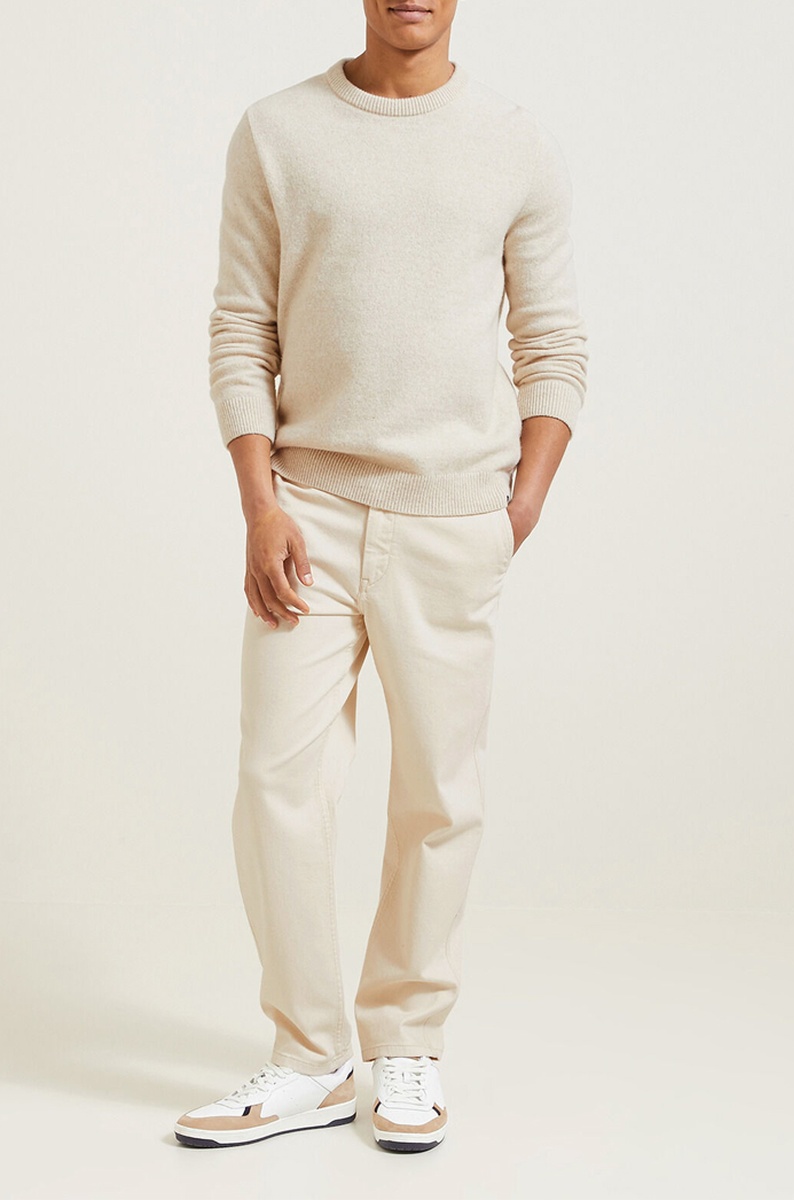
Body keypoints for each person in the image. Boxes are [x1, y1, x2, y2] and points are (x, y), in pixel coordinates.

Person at [174, 0, 588, 1156]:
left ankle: (405, 1040)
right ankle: (310, 1055)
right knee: (276, 780)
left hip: (453, 519)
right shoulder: (277, 132)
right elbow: (239, 328)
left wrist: (517, 508)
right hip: (304, 512)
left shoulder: (515, 142)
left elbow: (552, 344)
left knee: (438, 794)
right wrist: (259, 504)